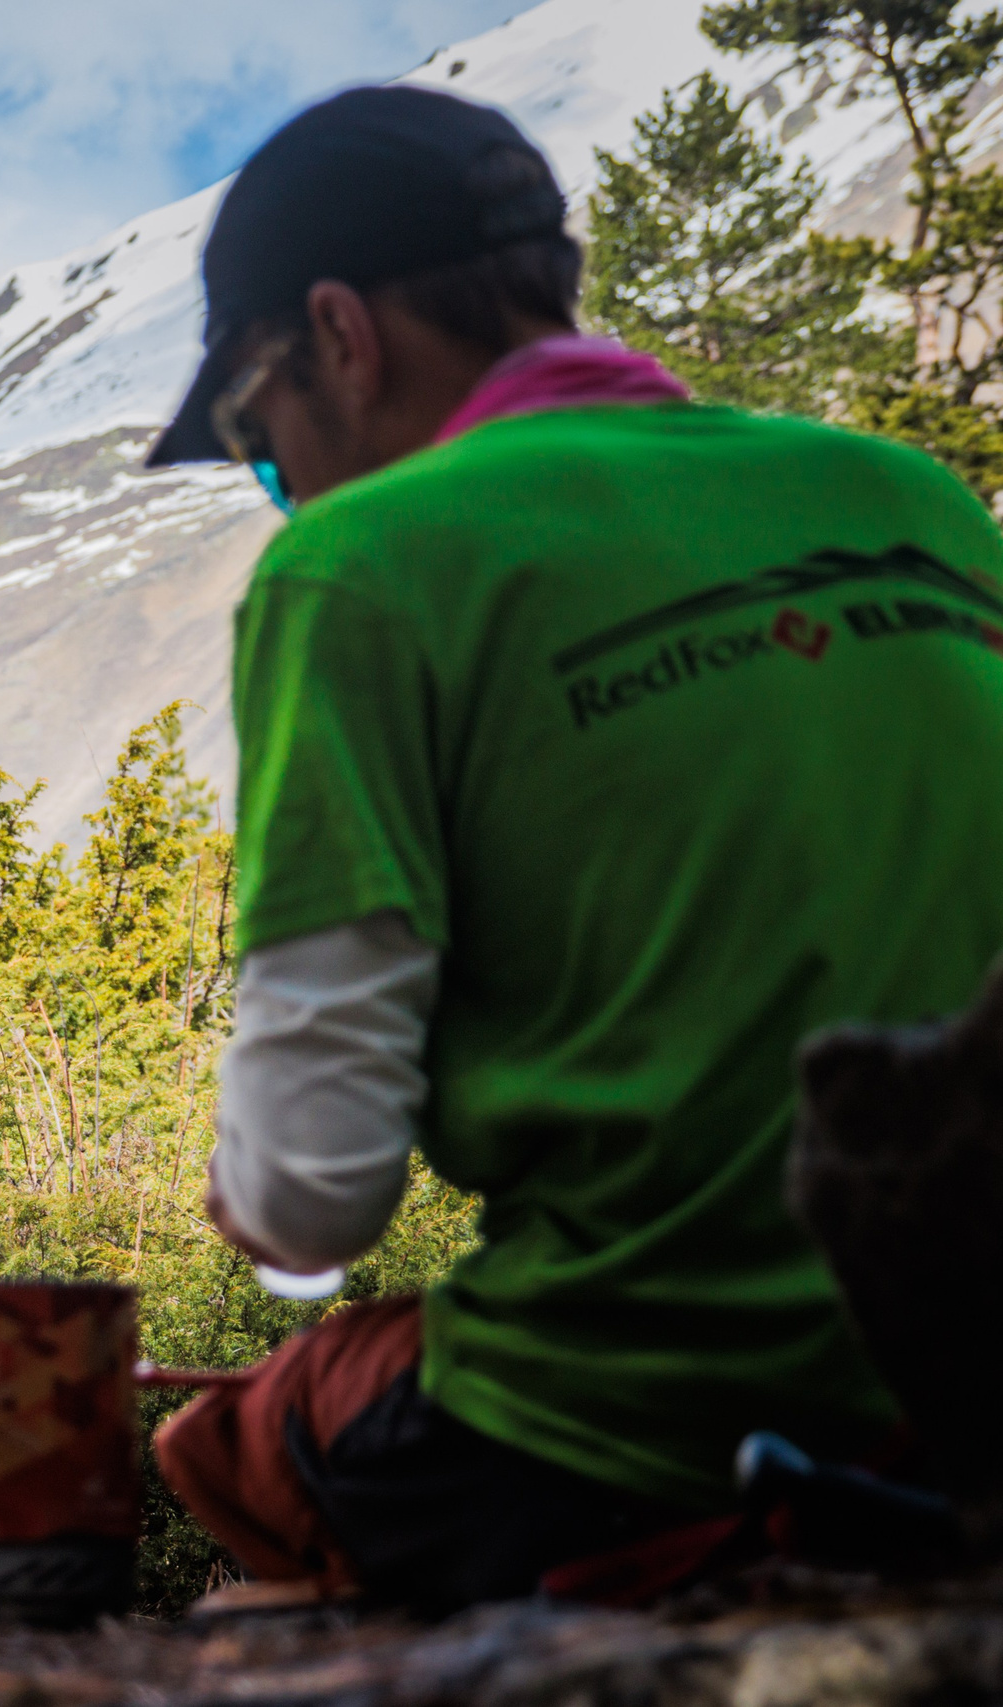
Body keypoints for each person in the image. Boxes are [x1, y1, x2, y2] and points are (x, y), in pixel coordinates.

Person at [143, 83, 1003, 1616]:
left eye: (260, 446)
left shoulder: (358, 566)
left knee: (234, 1438)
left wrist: (251, 1188)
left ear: (340, 334)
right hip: (972, 1378)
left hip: (642, 1418)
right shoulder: (917, 500)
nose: (287, 494)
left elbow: (314, 1196)